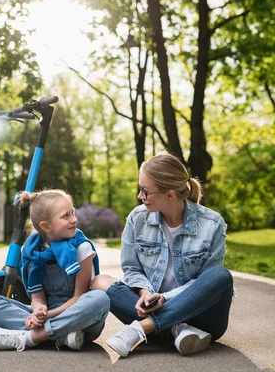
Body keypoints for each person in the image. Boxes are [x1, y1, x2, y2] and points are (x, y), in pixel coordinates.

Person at [91, 152, 233, 357]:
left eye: (145, 191)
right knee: (99, 282)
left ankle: (142, 329)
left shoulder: (212, 223)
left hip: (201, 316)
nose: (140, 196)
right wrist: (145, 293)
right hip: (149, 307)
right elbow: (132, 268)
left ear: (170, 194)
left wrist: (165, 298)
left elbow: (206, 283)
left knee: (220, 276)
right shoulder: (136, 218)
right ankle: (178, 330)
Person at [0, 189, 110, 351]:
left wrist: (49, 316)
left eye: (72, 212)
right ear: (46, 226)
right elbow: (37, 298)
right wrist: (39, 309)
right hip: (50, 313)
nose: (74, 219)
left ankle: (31, 337)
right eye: (66, 216)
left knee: (100, 299)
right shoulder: (31, 251)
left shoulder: (82, 247)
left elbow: (78, 298)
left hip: (79, 316)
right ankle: (62, 336)